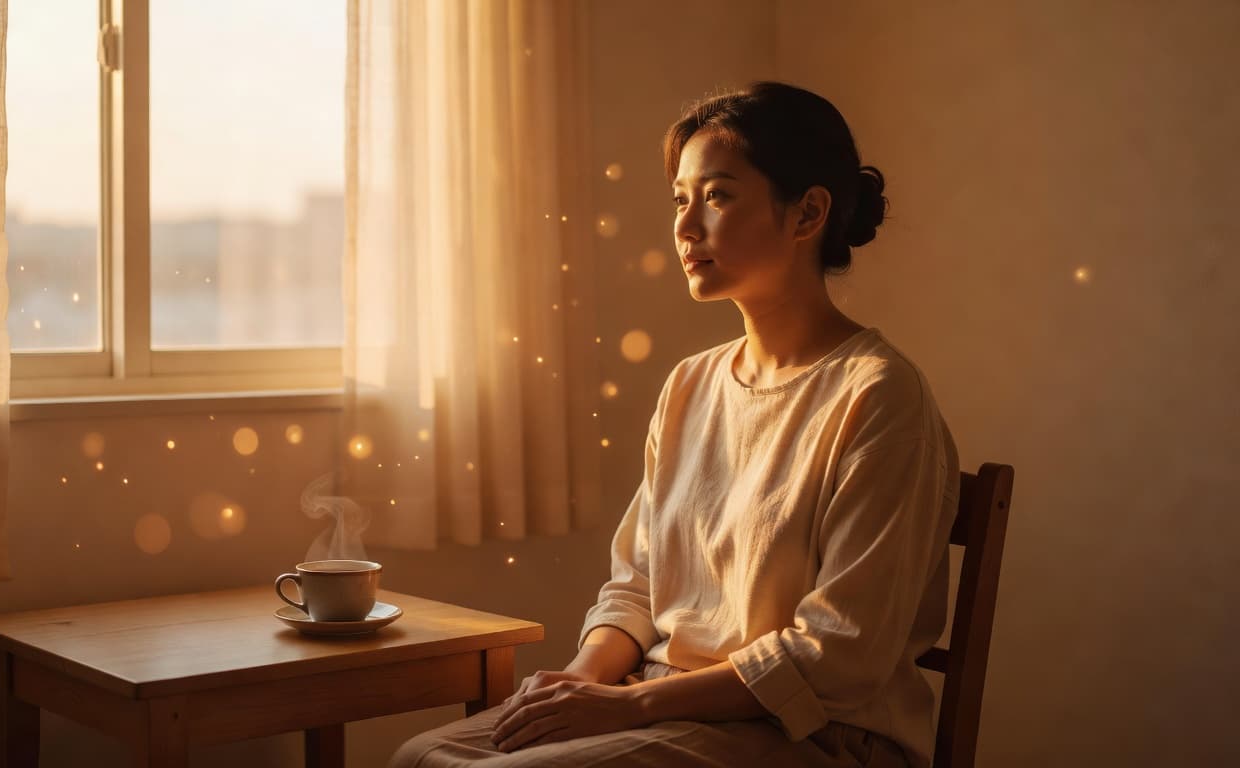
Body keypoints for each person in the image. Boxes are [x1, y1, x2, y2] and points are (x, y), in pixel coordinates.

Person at [390, 81, 959, 768]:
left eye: (717, 196)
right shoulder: (692, 384)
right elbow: (638, 585)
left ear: (808, 213)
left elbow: (838, 653)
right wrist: (580, 682)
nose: (686, 228)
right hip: (663, 703)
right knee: (421, 756)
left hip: (817, 735)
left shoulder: (879, 395)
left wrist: (627, 707)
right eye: (680, 200)